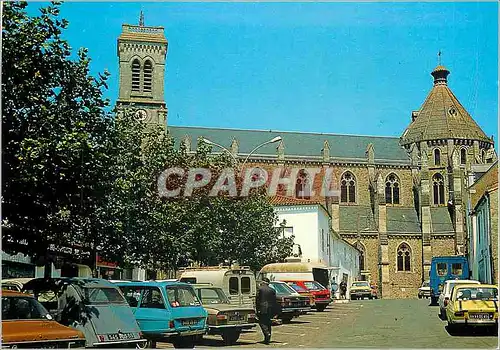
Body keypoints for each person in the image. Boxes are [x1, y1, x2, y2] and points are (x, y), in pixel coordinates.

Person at [255, 277, 277, 344]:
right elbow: (274, 301)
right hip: (270, 308)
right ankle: (268, 338)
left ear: (263, 282)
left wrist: (257, 308)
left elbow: (257, 299)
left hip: (262, 308)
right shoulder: (272, 290)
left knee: (262, 322)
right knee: (268, 322)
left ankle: (267, 334)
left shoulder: (260, 289)